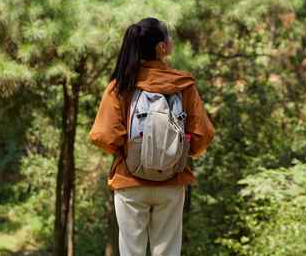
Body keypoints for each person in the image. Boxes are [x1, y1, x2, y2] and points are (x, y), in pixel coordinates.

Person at [89, 17, 215, 256]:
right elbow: (203, 134)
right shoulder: (183, 85)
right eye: (168, 37)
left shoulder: (121, 85)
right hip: (172, 182)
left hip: (130, 181)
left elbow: (102, 134)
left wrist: (126, 150)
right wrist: (180, 153)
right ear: (161, 47)